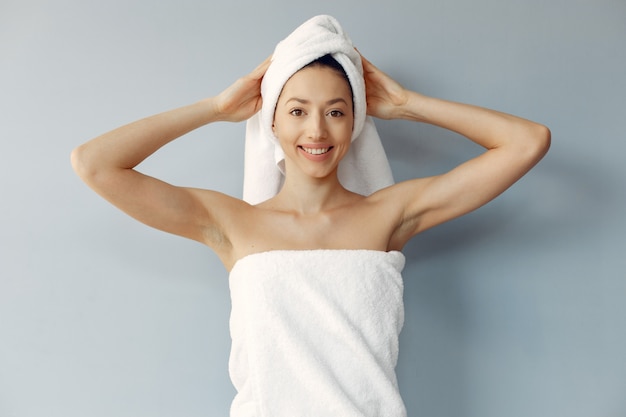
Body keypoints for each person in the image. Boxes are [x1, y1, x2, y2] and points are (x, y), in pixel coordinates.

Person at [71, 15, 549, 417]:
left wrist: (407, 105)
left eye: (336, 112)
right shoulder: (233, 224)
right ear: (272, 120)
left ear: (355, 122)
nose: (316, 130)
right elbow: (94, 163)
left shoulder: (389, 215)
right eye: (297, 110)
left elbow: (528, 142)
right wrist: (216, 108)